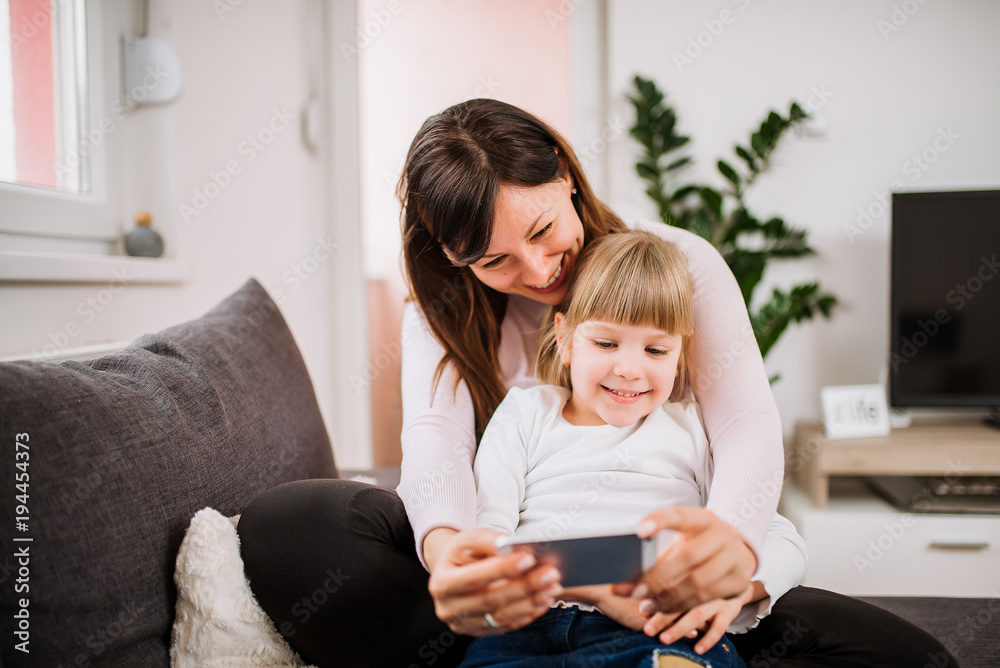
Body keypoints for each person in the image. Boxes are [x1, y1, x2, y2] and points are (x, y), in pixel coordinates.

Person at [236, 98, 957, 668]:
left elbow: (744, 428)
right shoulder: (445, 316)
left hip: (653, 582)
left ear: (565, 173)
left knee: (908, 657)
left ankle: (661, 640)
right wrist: (453, 557)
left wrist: (729, 556)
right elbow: (436, 448)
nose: (539, 271)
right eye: (495, 261)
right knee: (289, 530)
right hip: (514, 566)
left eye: (545, 229)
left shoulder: (679, 265)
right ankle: (492, 634)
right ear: (460, 261)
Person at [464, 229, 779, 667]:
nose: (630, 369)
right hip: (529, 627)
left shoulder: (691, 427)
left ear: (679, 353)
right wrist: (598, 591)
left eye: (655, 349)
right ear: (566, 337)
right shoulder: (525, 413)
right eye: (606, 343)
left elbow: (776, 536)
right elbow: (490, 542)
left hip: (656, 629)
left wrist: (732, 587)